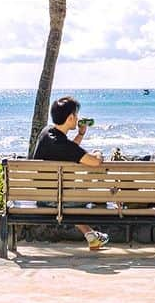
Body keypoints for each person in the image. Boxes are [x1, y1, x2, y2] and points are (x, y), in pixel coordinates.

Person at [32, 95, 109, 251]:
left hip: (43, 196)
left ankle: (91, 236)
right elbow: (95, 162)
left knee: (68, 194)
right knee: (90, 192)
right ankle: (93, 235)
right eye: (76, 115)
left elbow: (68, 152)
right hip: (57, 200)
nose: (77, 118)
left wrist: (80, 135)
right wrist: (99, 154)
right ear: (71, 117)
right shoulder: (63, 144)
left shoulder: (46, 133)